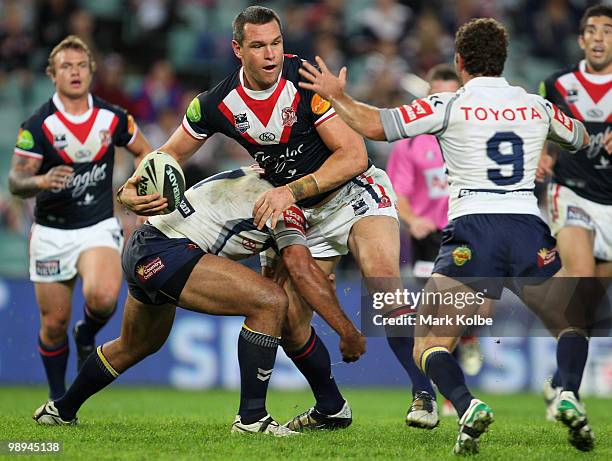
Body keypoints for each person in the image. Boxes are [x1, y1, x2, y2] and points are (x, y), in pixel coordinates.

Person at [119, 6, 437, 431]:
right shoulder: (214, 104)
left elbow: (354, 156)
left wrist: (287, 189)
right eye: (258, 45)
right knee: (289, 321)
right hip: (302, 213)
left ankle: (423, 395)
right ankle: (330, 409)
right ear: (238, 49)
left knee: (382, 280)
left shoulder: (306, 81)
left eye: (276, 43)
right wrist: (128, 191)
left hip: (354, 194)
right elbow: (169, 154)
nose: (270, 54)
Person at [298, 18, 593, 454]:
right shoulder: (537, 106)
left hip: (473, 232)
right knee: (571, 324)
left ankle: (466, 404)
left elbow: (376, 125)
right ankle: (567, 390)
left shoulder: (448, 104)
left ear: (459, 62)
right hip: (528, 228)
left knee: (429, 343)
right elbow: (582, 138)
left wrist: (337, 97)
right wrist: (543, 147)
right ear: (504, 60)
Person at [33, 166, 365, 435]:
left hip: (145, 245)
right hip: (168, 250)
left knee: (136, 344)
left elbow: (277, 267)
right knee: (271, 302)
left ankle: (61, 409)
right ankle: (252, 419)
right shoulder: (283, 201)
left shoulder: (256, 176)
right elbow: (300, 272)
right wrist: (346, 331)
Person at [8, 35, 151, 400]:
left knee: (103, 297)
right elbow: (15, 180)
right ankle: (58, 400)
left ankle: (86, 332)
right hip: (52, 234)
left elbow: (144, 151)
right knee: (54, 325)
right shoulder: (38, 125)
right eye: (66, 67)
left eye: (81, 65)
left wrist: (139, 189)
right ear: (52, 75)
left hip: (97, 226)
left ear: (91, 71)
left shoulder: (112, 117)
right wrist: (40, 179)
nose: (75, 72)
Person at [387, 64, 482, 419]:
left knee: (459, 305)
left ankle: (468, 336)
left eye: (450, 96)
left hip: (468, 229)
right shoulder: (411, 143)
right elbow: (400, 193)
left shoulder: (475, 136)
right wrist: (414, 220)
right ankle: (448, 390)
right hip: (430, 238)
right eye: (435, 96)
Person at [537, 4, 612, 421]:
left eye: (608, 30)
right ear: (581, 39)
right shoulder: (557, 85)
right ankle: (569, 393)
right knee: (581, 281)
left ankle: (559, 381)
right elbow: (539, 128)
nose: (600, 37)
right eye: (593, 30)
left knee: (589, 307)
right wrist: (540, 158)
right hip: (572, 194)